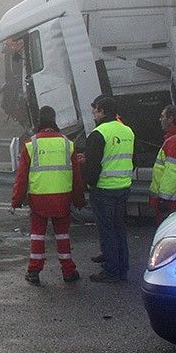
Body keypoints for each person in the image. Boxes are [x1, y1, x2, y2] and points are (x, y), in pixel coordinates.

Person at [11, 106, 85, 286]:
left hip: (38, 199)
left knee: (37, 236)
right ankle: (68, 271)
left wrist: (16, 200)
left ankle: (34, 270)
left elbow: (21, 178)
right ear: (54, 119)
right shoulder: (68, 144)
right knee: (62, 235)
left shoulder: (31, 144)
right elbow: (76, 177)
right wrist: (79, 199)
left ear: (39, 121)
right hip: (63, 198)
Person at [85, 95, 135, 283]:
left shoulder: (98, 133)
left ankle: (111, 271)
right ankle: (123, 267)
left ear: (101, 110)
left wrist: (90, 184)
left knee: (107, 231)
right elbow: (132, 159)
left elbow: (93, 166)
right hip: (123, 186)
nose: (93, 113)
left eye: (95, 110)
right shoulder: (128, 131)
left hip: (104, 189)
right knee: (119, 229)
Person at [149, 105, 176, 225]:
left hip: (170, 202)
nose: (160, 119)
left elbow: (172, 174)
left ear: (171, 119)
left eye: (162, 116)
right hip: (175, 200)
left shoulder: (174, 142)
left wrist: (163, 199)